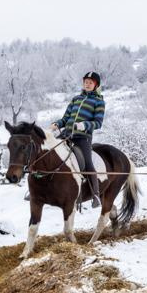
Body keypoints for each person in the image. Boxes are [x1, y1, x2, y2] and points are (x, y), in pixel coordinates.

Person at [51, 71, 106, 207]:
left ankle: (95, 195)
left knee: (87, 163)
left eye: (90, 83)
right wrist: (58, 123)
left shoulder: (99, 102)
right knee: (50, 153)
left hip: (83, 137)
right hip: (67, 134)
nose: (87, 84)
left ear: (96, 85)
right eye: (85, 82)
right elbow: (66, 118)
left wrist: (84, 125)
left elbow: (98, 123)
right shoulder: (76, 99)